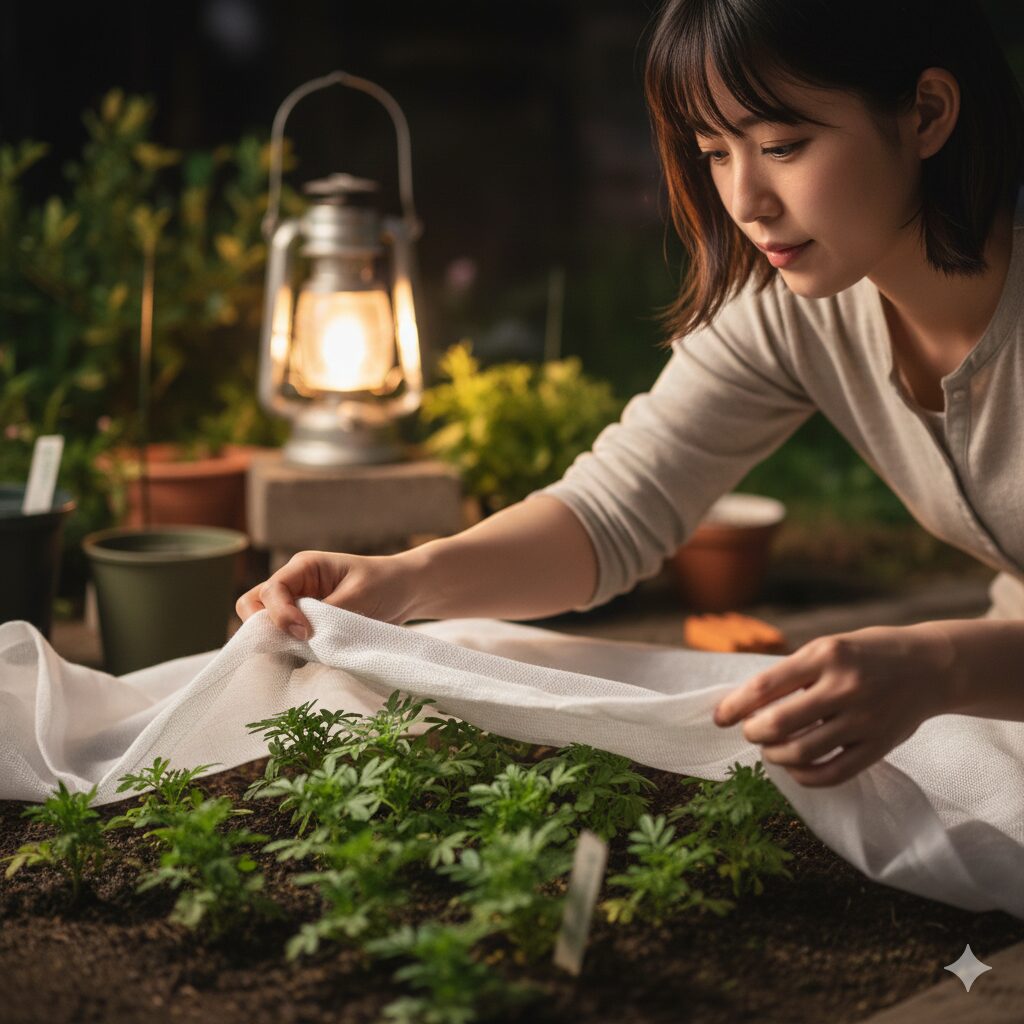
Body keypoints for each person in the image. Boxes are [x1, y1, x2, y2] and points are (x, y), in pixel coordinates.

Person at [238, 0, 1024, 789]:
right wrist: (410, 579)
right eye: (715, 152)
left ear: (926, 114)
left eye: (784, 145)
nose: (746, 199)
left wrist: (942, 663)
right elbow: (614, 512)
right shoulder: (797, 312)